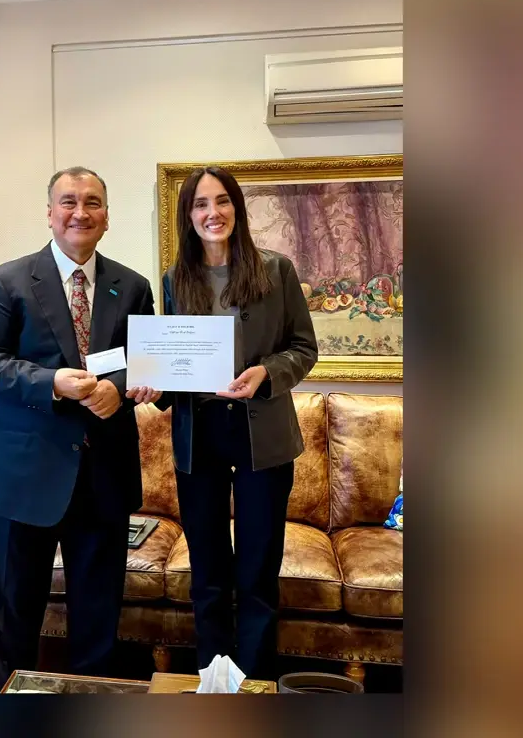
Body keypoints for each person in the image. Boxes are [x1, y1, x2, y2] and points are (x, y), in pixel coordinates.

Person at [0, 166, 159, 693]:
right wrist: (51, 382)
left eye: (92, 202)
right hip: (22, 479)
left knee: (98, 623)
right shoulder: (8, 281)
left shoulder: (132, 286)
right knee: (14, 620)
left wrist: (118, 386)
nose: (80, 212)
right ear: (49, 213)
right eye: (68, 202)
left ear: (107, 217)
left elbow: (147, 362)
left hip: (103, 477)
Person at [151, 166, 317, 680]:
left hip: (260, 433)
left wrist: (267, 372)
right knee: (207, 571)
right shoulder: (175, 279)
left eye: (222, 201)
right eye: (200, 204)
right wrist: (153, 384)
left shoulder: (276, 270)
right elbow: (174, 362)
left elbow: (304, 348)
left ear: (236, 208)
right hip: (199, 434)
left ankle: (255, 683)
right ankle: (213, 679)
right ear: (188, 216)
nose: (212, 213)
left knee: (257, 571)